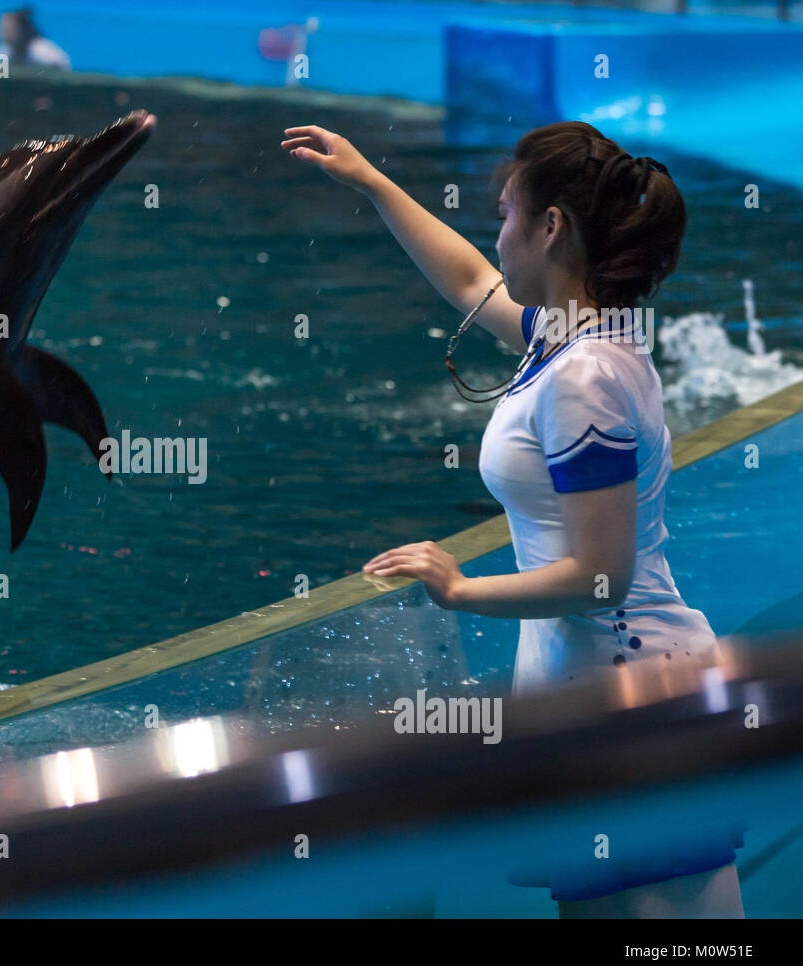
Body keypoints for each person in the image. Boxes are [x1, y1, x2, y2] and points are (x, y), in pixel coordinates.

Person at [284, 121, 742, 917]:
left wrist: (460, 590)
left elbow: (601, 576)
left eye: (504, 216)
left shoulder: (582, 381)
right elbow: (467, 280)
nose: (495, 241)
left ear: (552, 226)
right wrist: (371, 182)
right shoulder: (582, 338)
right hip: (629, 689)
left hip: (621, 703)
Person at [0, 7, 72, 71]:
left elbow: (63, 69)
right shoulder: (4, 51)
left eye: (8, 28)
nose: (3, 33)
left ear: (21, 28)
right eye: (3, 28)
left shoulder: (41, 50)